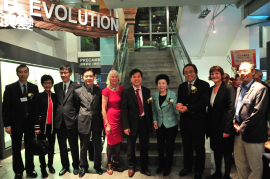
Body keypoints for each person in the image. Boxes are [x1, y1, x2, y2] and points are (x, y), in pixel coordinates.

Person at [2, 64, 39, 179]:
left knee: (30, 147)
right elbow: (5, 108)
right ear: (17, 73)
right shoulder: (10, 88)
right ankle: (18, 171)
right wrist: (7, 125)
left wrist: (36, 124)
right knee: (16, 148)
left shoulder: (34, 88)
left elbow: (36, 107)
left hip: (29, 124)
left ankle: (30, 169)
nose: (23, 74)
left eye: (25, 72)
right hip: (15, 125)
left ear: (28, 73)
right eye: (21, 72)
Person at [234, 62, 269, 179]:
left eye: (245, 70)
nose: (242, 73)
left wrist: (242, 127)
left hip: (254, 133)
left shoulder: (261, 89)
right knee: (240, 164)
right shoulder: (239, 88)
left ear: (253, 72)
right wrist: (235, 121)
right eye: (240, 71)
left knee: (255, 166)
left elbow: (258, 112)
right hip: (238, 133)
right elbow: (236, 108)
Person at [176, 64, 210, 179]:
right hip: (185, 122)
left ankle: (199, 170)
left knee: (199, 147)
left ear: (196, 72)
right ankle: (187, 167)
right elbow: (180, 100)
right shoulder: (181, 86)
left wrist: (188, 108)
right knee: (187, 146)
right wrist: (179, 105)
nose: (188, 74)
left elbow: (204, 102)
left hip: (199, 122)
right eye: (185, 72)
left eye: (190, 71)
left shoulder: (204, 85)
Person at [121, 69, 153, 177]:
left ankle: (145, 167)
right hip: (131, 124)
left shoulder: (147, 91)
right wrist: (126, 126)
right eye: (134, 77)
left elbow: (149, 109)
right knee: (131, 147)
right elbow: (124, 110)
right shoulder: (126, 92)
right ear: (131, 79)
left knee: (145, 146)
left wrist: (151, 122)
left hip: (144, 122)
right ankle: (131, 166)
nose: (136, 78)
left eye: (138, 76)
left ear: (141, 78)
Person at [205, 66, 235, 179]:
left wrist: (227, 128)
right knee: (216, 150)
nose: (214, 76)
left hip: (224, 127)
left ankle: (226, 176)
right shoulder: (210, 89)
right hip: (213, 127)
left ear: (222, 75)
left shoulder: (228, 88)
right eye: (212, 74)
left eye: (217, 73)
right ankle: (218, 173)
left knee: (226, 152)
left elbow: (231, 109)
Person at [73, 68, 103, 177]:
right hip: (83, 121)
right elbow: (76, 107)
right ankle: (83, 167)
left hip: (97, 121)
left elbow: (101, 106)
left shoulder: (100, 91)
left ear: (94, 77)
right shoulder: (77, 91)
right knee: (83, 146)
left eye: (91, 76)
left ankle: (97, 166)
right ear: (83, 78)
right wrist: (79, 118)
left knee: (97, 145)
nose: (88, 78)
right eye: (86, 76)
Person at [54, 65, 80, 176]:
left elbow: (78, 104)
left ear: (70, 73)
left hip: (71, 121)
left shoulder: (76, 86)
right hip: (59, 121)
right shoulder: (57, 86)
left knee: (74, 145)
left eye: (65, 72)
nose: (63, 75)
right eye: (61, 72)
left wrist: (76, 118)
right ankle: (65, 166)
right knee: (62, 146)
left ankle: (76, 166)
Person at [152, 74, 179, 176]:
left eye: (163, 83)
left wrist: (177, 108)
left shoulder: (173, 95)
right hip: (159, 125)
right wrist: (154, 121)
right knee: (160, 146)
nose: (161, 85)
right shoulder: (155, 95)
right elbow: (154, 109)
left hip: (171, 125)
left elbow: (177, 110)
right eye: (159, 83)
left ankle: (168, 167)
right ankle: (161, 165)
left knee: (169, 147)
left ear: (167, 84)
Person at [102, 70, 124, 175]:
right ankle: (109, 163)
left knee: (119, 142)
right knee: (110, 143)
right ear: (109, 79)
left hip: (120, 119)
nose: (114, 78)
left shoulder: (121, 89)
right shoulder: (106, 91)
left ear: (118, 78)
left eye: (116, 77)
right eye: (112, 77)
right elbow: (103, 108)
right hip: (110, 119)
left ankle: (117, 161)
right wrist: (107, 124)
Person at [34, 75, 57, 178]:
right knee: (41, 148)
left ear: (52, 84)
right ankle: (43, 168)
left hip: (52, 126)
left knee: (51, 147)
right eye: (45, 83)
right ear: (42, 84)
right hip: (42, 127)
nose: (47, 85)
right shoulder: (38, 96)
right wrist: (37, 127)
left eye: (49, 83)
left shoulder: (55, 96)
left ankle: (50, 165)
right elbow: (35, 112)